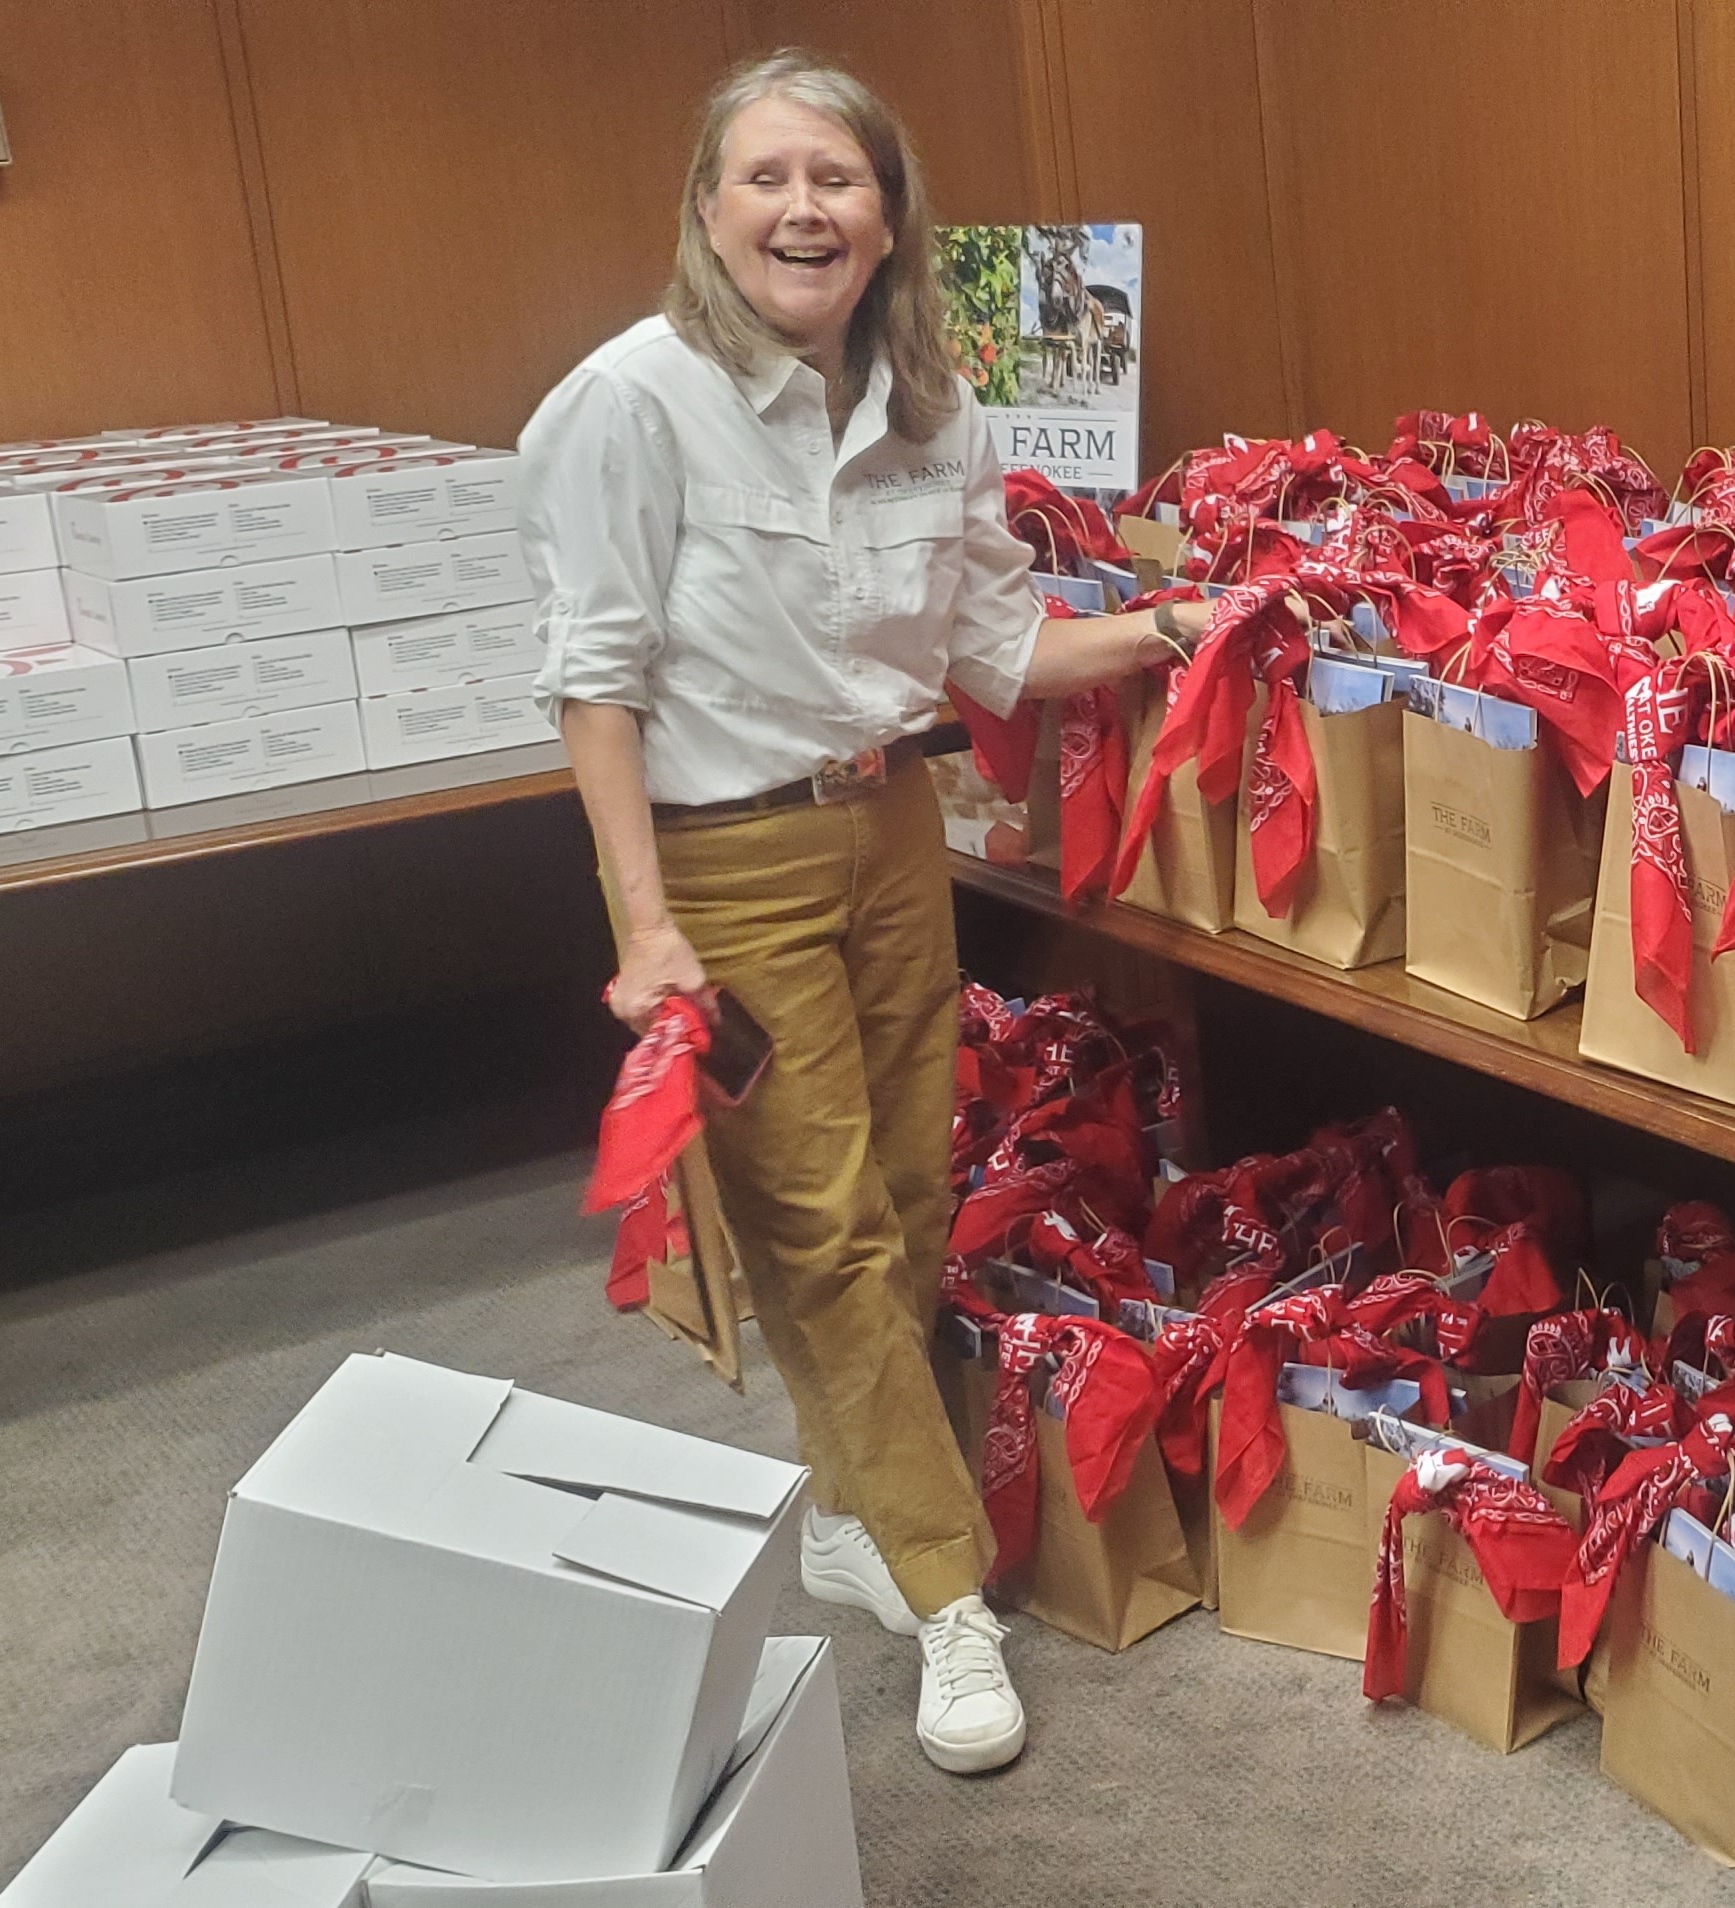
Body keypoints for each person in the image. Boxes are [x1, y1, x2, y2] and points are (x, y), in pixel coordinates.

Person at [517, 50, 1189, 1775]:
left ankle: (845, 1510)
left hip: (895, 836)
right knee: (814, 1221)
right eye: (767, 179)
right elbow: (594, 686)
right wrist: (641, 930)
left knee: (902, 1190)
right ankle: (947, 1589)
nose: (804, 210)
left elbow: (990, 653)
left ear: (890, 218)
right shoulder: (630, 401)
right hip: (722, 861)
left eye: (838, 180)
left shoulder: (934, 413)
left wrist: (1182, 627)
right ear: (709, 209)